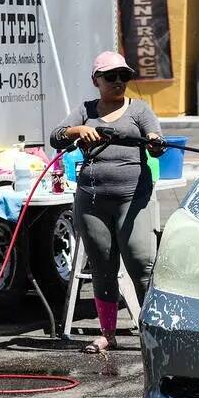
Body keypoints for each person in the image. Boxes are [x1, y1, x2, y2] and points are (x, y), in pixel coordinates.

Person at [50, 51, 166, 354]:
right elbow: (56, 137)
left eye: (124, 76)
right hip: (92, 200)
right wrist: (77, 130)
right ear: (96, 80)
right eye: (111, 77)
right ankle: (108, 334)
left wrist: (155, 143)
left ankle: (152, 330)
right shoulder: (85, 110)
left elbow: (156, 146)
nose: (118, 82)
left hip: (133, 199)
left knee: (141, 264)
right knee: (102, 266)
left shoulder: (139, 110)